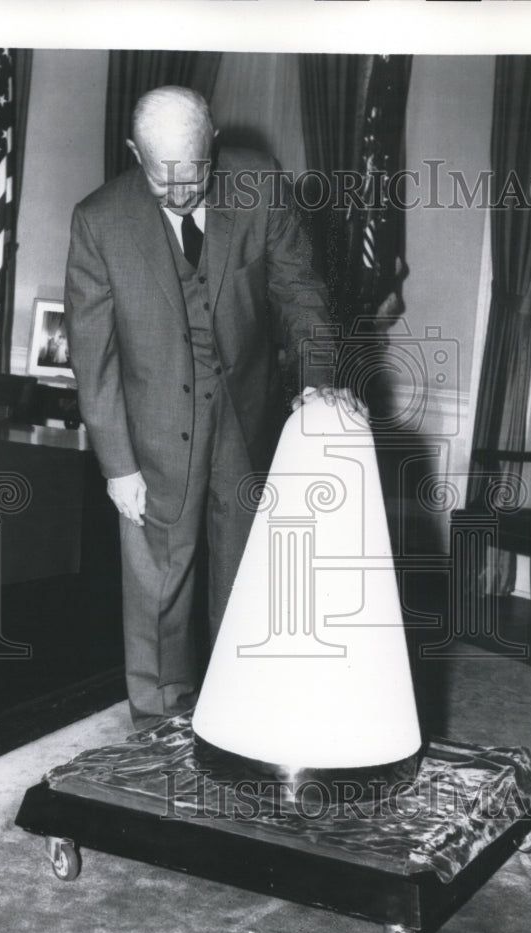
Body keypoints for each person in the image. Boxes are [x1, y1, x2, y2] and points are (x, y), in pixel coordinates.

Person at [65, 85, 354, 725]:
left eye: (191, 173)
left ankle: (233, 711)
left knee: (244, 571)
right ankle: (159, 719)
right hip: (154, 431)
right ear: (134, 153)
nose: (176, 191)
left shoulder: (259, 185)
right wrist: (118, 465)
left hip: (244, 417)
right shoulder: (100, 220)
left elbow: (297, 290)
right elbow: (94, 355)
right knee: (158, 583)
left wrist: (316, 377)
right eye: (157, 174)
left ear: (214, 145)